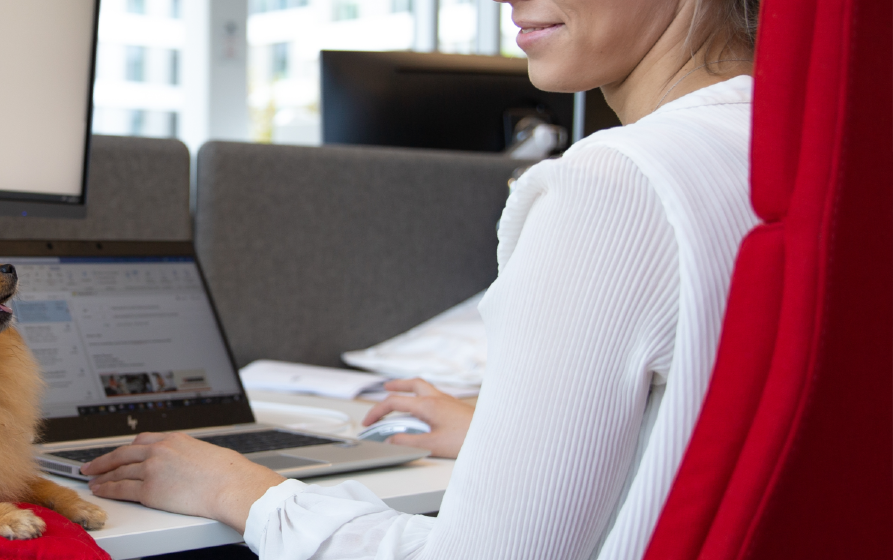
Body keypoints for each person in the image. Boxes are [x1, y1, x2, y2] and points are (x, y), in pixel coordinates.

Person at [81, 0, 762, 558]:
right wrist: (503, 435)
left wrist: (239, 490)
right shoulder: (777, 165)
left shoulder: (612, 187)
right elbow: (709, 437)